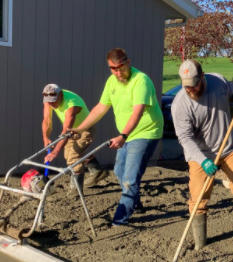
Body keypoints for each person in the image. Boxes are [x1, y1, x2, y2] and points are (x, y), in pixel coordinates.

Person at [70, 48, 164, 227]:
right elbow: (100, 108)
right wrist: (80, 129)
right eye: (113, 69)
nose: (118, 73)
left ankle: (120, 220)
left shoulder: (140, 80)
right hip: (127, 134)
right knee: (119, 172)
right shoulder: (112, 82)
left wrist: (123, 135)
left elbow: (138, 112)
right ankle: (134, 202)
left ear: (128, 62)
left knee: (129, 178)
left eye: (121, 68)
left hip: (146, 131)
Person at [172, 59, 233, 251]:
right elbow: (185, 139)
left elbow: (232, 92)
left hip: (228, 148)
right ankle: (200, 242)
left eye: (194, 84)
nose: (191, 90)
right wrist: (203, 160)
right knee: (198, 198)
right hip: (200, 153)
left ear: (202, 76)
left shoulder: (218, 81)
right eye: (187, 87)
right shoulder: (180, 105)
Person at [41, 84, 109, 195]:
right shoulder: (48, 99)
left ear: (61, 95)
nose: (52, 104)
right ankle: (98, 170)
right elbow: (47, 120)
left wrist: (55, 151)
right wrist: (46, 137)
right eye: (49, 102)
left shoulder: (72, 104)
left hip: (85, 128)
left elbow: (66, 131)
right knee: (68, 156)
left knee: (73, 157)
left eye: (54, 101)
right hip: (71, 130)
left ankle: (76, 191)